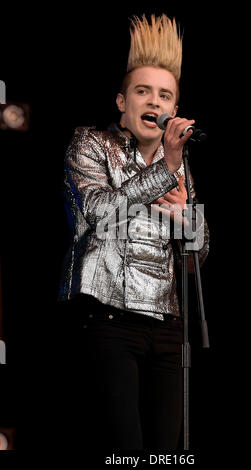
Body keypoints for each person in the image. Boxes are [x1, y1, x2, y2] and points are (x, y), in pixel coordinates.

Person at [58, 14, 209, 450]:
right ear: (122, 103)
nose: (154, 101)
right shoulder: (89, 143)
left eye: (165, 95)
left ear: (174, 112)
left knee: (166, 451)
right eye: (142, 91)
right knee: (123, 448)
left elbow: (196, 259)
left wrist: (188, 220)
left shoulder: (180, 168)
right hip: (109, 318)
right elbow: (99, 213)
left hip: (167, 324)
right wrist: (166, 170)